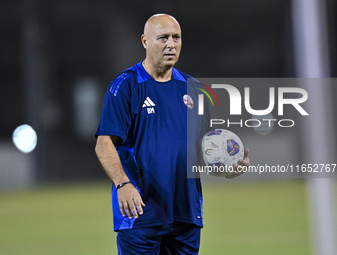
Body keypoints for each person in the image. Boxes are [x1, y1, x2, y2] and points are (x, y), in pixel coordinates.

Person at [95, 14, 250, 255]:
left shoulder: (195, 90)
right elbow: (104, 144)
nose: (171, 44)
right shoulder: (126, 85)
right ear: (145, 41)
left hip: (185, 214)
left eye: (176, 37)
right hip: (140, 214)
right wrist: (123, 184)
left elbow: (204, 152)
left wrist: (227, 167)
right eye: (163, 38)